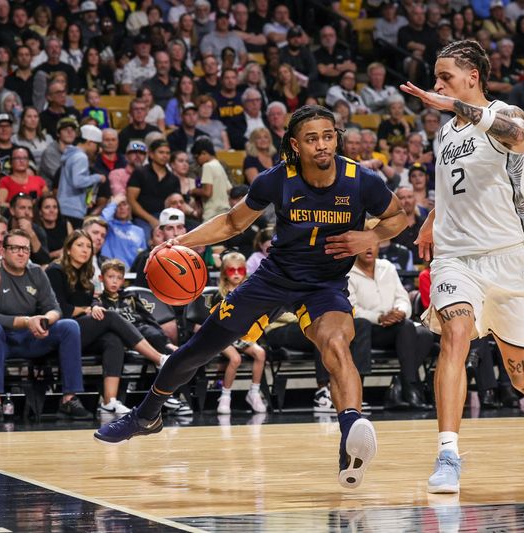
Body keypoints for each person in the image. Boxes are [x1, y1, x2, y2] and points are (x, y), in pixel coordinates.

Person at [95, 105, 407, 491]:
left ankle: (351, 438)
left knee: (337, 346)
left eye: (328, 136)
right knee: (197, 350)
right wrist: (180, 242)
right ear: (295, 145)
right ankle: (146, 415)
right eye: (312, 139)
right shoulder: (276, 180)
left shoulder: (362, 180)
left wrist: (372, 236)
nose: (323, 145)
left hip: (324, 285)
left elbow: (398, 217)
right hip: (273, 279)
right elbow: (232, 222)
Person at [401, 40, 524, 494]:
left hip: (508, 259)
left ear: (473, 77)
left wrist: (454, 105)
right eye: (436, 78)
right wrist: (431, 221)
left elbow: (516, 133)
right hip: (455, 258)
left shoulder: (506, 114)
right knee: (454, 336)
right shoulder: (446, 133)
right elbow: (453, 187)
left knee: (522, 379)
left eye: (445, 77)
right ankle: (448, 454)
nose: (437, 85)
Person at [46, 230, 168, 415]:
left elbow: (92, 301)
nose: (85, 250)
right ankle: (159, 358)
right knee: (110, 316)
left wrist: (94, 306)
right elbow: (60, 308)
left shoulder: (86, 274)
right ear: (68, 249)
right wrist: (86, 310)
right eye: (80, 245)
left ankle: (109, 401)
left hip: (84, 331)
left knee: (113, 339)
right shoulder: (55, 271)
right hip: (61, 331)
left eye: (88, 246)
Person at [0, 229, 90, 420]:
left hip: (32, 337)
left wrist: (43, 321)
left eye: (25, 249)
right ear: (2, 251)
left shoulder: (36, 272)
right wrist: (26, 321)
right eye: (15, 248)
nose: (21, 253)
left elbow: (54, 308)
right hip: (3, 340)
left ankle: (69, 399)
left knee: (69, 326)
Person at [348, 226, 434, 410]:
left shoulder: (387, 267)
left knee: (424, 334)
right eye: (363, 244)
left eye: (372, 243)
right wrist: (379, 318)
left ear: (379, 246)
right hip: (368, 330)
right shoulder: (349, 273)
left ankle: (401, 383)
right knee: (407, 328)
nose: (369, 248)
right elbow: (353, 309)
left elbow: (402, 298)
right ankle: (410, 388)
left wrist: (400, 312)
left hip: (394, 326)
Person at [209, 252, 268, 414]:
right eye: (231, 270)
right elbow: (214, 321)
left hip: (241, 334)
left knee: (260, 353)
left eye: (240, 270)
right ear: (224, 273)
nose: (236, 274)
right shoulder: (219, 295)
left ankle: (254, 392)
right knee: (235, 359)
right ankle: (225, 395)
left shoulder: (249, 292)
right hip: (221, 335)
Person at [58, 125, 105, 228]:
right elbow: (78, 181)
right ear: (89, 142)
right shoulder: (81, 157)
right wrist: (97, 177)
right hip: (72, 210)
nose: (98, 150)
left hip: (64, 207)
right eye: (97, 145)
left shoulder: (71, 155)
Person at [190, 138, 231, 221]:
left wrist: (193, 191)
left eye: (196, 157)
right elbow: (229, 188)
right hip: (225, 211)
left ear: (204, 153)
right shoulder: (219, 165)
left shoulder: (207, 166)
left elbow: (207, 192)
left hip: (212, 213)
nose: (197, 161)